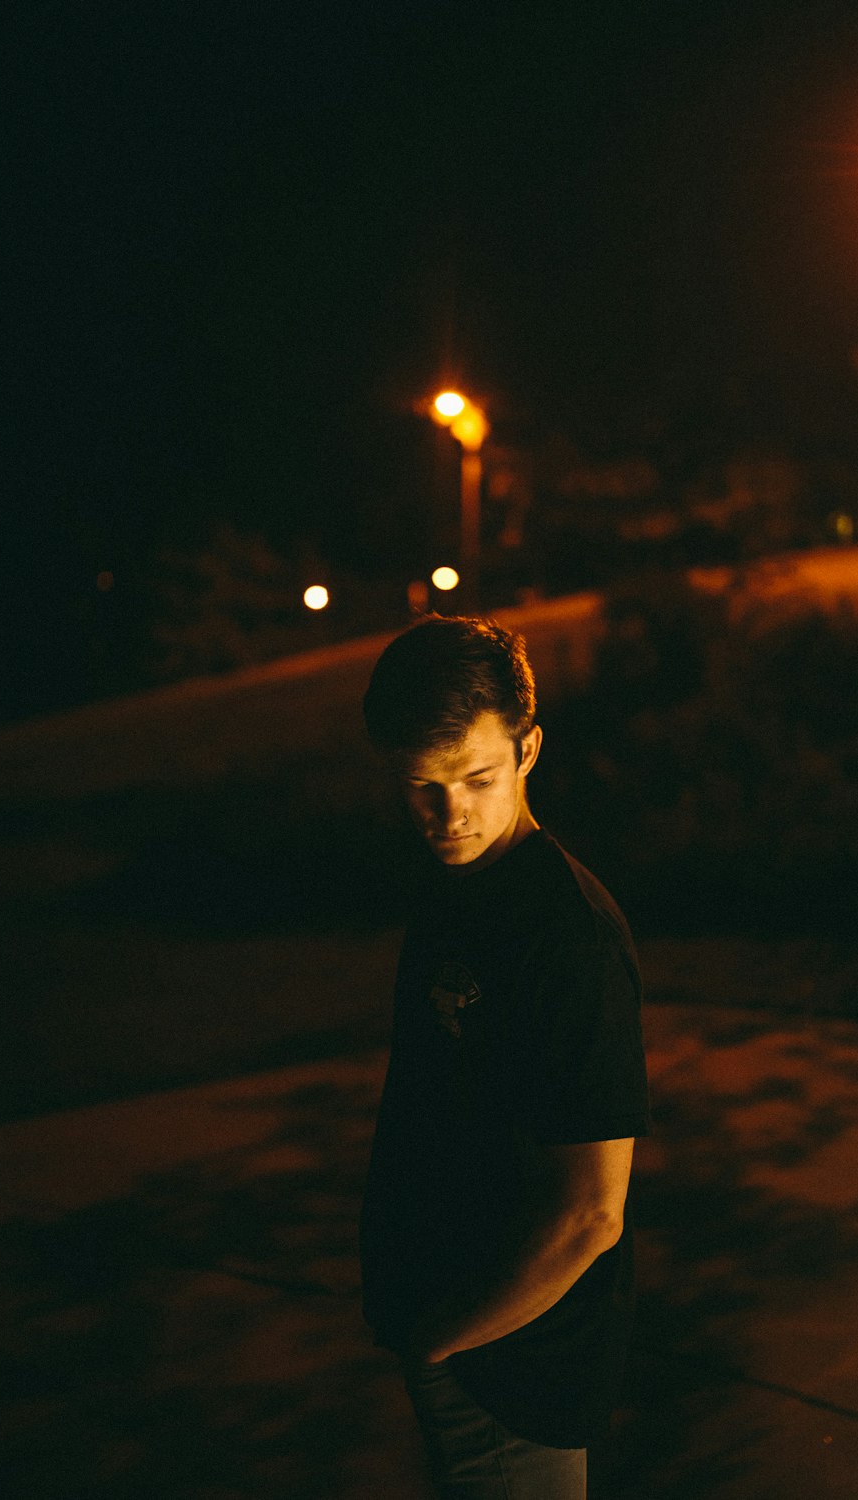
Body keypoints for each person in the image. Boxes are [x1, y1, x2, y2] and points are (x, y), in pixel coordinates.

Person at [359, 614, 651, 1500]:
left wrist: (447, 1337)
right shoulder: (456, 886)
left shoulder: (568, 935)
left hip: (515, 1373)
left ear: (528, 749)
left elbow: (590, 1214)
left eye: (476, 779)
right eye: (422, 786)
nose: (449, 816)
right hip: (451, 1337)